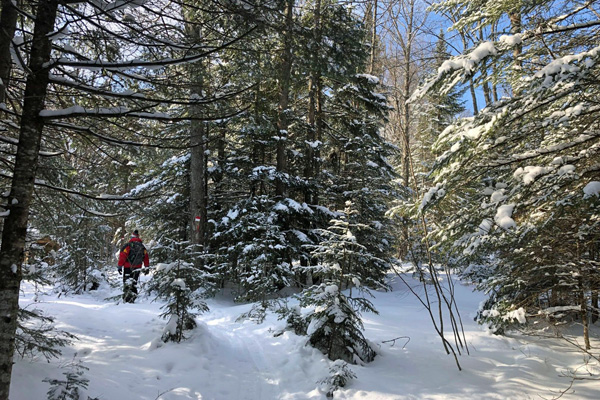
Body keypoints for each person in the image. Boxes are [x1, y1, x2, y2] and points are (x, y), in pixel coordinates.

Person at [117, 230, 150, 303]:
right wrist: (147, 267)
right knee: (134, 282)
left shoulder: (128, 245)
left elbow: (123, 256)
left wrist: (119, 266)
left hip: (127, 267)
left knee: (127, 282)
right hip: (137, 267)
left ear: (131, 237)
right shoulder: (142, 247)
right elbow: (146, 257)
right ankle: (133, 298)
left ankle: (127, 298)